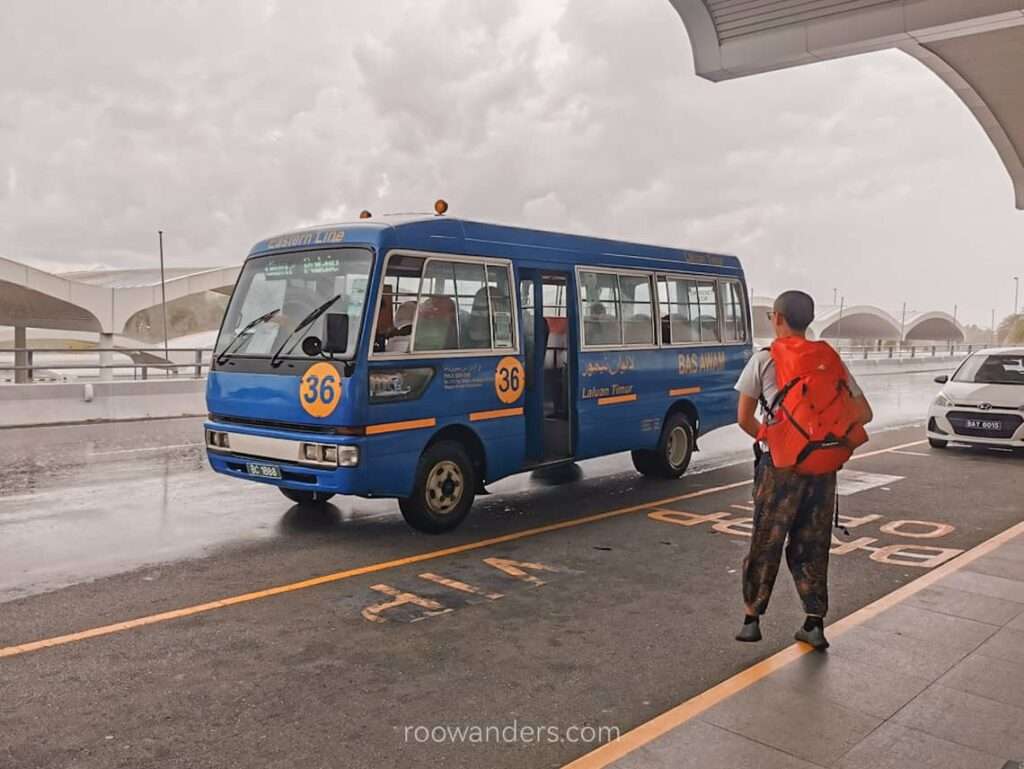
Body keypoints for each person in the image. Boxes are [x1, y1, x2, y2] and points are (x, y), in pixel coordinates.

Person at [733, 291, 873, 649]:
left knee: (766, 540)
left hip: (779, 468)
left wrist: (773, 439)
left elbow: (744, 418)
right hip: (822, 466)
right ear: (808, 320)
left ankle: (752, 618)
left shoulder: (764, 360)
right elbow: (864, 414)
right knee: (812, 542)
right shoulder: (829, 359)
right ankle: (814, 623)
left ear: (777, 317)